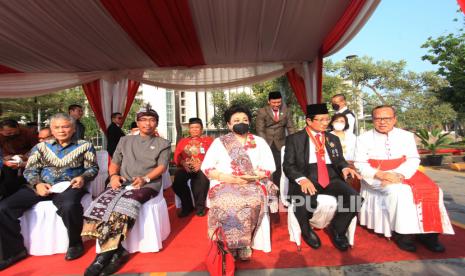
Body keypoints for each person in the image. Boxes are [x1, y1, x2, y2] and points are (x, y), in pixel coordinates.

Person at [0, 113, 98, 271]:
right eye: (57, 127)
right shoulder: (40, 147)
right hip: (40, 186)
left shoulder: (84, 145)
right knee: (3, 208)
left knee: (69, 205)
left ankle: (75, 243)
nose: (61, 130)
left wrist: (82, 177)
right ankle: (15, 251)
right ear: (51, 129)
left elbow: (92, 168)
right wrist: (37, 183)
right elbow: (30, 170)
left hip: (69, 186)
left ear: (73, 129)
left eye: (65, 126)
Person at [82, 108, 170, 276]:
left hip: (147, 185)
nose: (147, 123)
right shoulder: (125, 140)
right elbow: (115, 162)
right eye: (143, 119)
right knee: (99, 205)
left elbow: (162, 167)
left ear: (156, 123)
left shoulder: (163, 143)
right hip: (122, 182)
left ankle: (103, 257)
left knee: (123, 209)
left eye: (152, 120)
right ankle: (118, 251)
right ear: (137, 122)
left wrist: (146, 179)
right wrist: (113, 176)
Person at [354, 105, 454, 253]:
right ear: (372, 120)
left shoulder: (405, 136)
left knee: (434, 190)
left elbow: (413, 158)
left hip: (404, 172)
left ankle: (429, 235)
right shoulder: (363, 138)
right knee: (400, 192)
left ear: (394, 119)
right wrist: (382, 174)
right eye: (378, 118)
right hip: (376, 176)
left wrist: (400, 174)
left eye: (387, 118)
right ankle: (403, 235)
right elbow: (359, 163)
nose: (382, 122)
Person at [201, 105, 276, 261]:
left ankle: (244, 243)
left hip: (253, 183)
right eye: (236, 120)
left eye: (245, 120)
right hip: (225, 182)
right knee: (225, 200)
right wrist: (230, 179)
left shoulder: (259, 142)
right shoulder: (219, 142)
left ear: (249, 122)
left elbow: (269, 167)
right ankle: (228, 244)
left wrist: (252, 176)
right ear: (229, 124)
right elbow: (207, 167)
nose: (241, 122)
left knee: (251, 200)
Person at [283, 103, 361, 252]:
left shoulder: (333, 139)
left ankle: (338, 231)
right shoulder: (295, 139)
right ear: (309, 121)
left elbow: (339, 160)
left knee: (354, 198)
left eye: (327, 119)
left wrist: (345, 168)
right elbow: (288, 166)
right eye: (321, 120)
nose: (326, 123)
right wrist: (302, 179)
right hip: (307, 174)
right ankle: (306, 231)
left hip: (330, 175)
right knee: (304, 199)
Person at [172, 118, 213, 217]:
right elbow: (176, 157)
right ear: (189, 129)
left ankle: (200, 207)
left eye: (197, 127)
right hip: (186, 168)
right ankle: (187, 206)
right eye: (192, 127)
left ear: (201, 129)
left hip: (202, 168)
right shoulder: (183, 141)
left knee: (201, 179)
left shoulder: (209, 140)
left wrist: (202, 164)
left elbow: (214, 157)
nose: (194, 130)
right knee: (178, 180)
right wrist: (183, 163)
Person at [256, 91, 295, 187]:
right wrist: (264, 145)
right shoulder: (262, 111)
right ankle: (266, 188)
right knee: (266, 167)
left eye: (278, 102)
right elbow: (260, 130)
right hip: (267, 142)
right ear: (268, 101)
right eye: (274, 102)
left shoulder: (286, 110)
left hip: (281, 143)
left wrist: (293, 142)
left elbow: (290, 127)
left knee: (279, 167)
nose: (276, 104)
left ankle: (278, 189)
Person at [0, 119, 38, 199]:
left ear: (17, 127)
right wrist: (4, 160)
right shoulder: (1, 135)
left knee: (25, 180)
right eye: (6, 133)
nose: (9, 134)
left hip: (27, 159)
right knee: (8, 180)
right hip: (8, 160)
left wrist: (26, 156)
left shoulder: (29, 133)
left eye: (11, 132)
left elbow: (37, 148)